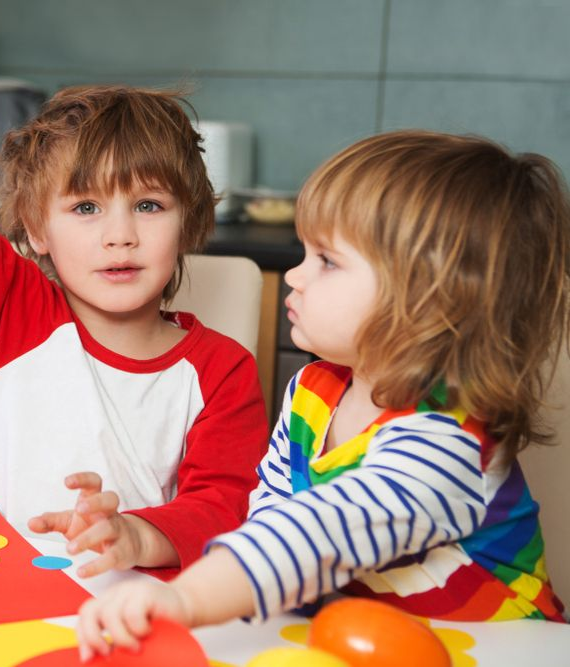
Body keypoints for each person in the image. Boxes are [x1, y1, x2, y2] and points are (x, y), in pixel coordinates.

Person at [75, 129, 570, 659]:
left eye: (327, 261)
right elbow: (272, 512)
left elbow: (322, 532)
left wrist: (188, 598)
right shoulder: (314, 391)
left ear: (430, 300)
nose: (295, 275)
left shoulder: (446, 438)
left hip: (496, 649)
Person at [0, 85, 268, 577]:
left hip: (133, 613)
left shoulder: (222, 369)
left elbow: (225, 509)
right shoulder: (11, 315)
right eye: (86, 208)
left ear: (188, 220)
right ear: (36, 229)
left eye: (149, 205)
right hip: (3, 598)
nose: (120, 235)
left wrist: (137, 535)